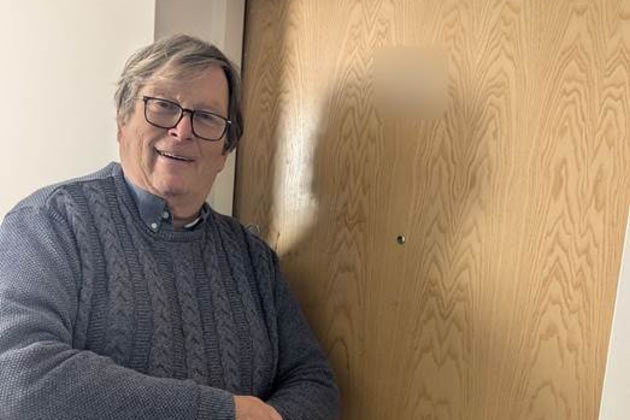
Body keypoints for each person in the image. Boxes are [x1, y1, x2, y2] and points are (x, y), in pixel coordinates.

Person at [0, 34, 339, 420]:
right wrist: (223, 412)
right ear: (122, 121)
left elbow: (314, 380)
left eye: (206, 117)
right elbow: (16, 378)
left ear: (224, 152)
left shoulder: (254, 259)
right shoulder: (51, 223)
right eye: (162, 106)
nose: (182, 130)